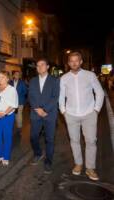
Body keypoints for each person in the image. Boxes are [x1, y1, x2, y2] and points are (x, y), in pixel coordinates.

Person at [59, 51, 104, 181]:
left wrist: (96, 110)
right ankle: (78, 164)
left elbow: (99, 92)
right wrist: (63, 111)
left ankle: (90, 168)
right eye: (71, 61)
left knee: (91, 141)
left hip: (89, 113)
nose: (74, 63)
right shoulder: (64, 78)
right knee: (74, 141)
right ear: (68, 63)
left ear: (81, 62)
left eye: (76, 60)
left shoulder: (90, 75)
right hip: (71, 114)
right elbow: (61, 96)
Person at [28, 58, 60, 174]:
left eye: (42, 65)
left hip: (49, 114)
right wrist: (38, 109)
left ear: (47, 67)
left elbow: (55, 97)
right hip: (36, 114)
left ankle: (48, 161)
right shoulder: (33, 81)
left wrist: (45, 109)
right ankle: (38, 153)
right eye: (37, 65)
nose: (39, 67)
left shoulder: (55, 80)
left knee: (49, 139)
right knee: (33, 137)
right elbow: (30, 96)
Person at [0, 70, 18, 166]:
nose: (0, 79)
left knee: (7, 136)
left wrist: (4, 113)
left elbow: (14, 104)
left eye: (2, 77)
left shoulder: (11, 89)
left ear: (7, 78)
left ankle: (6, 157)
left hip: (7, 117)